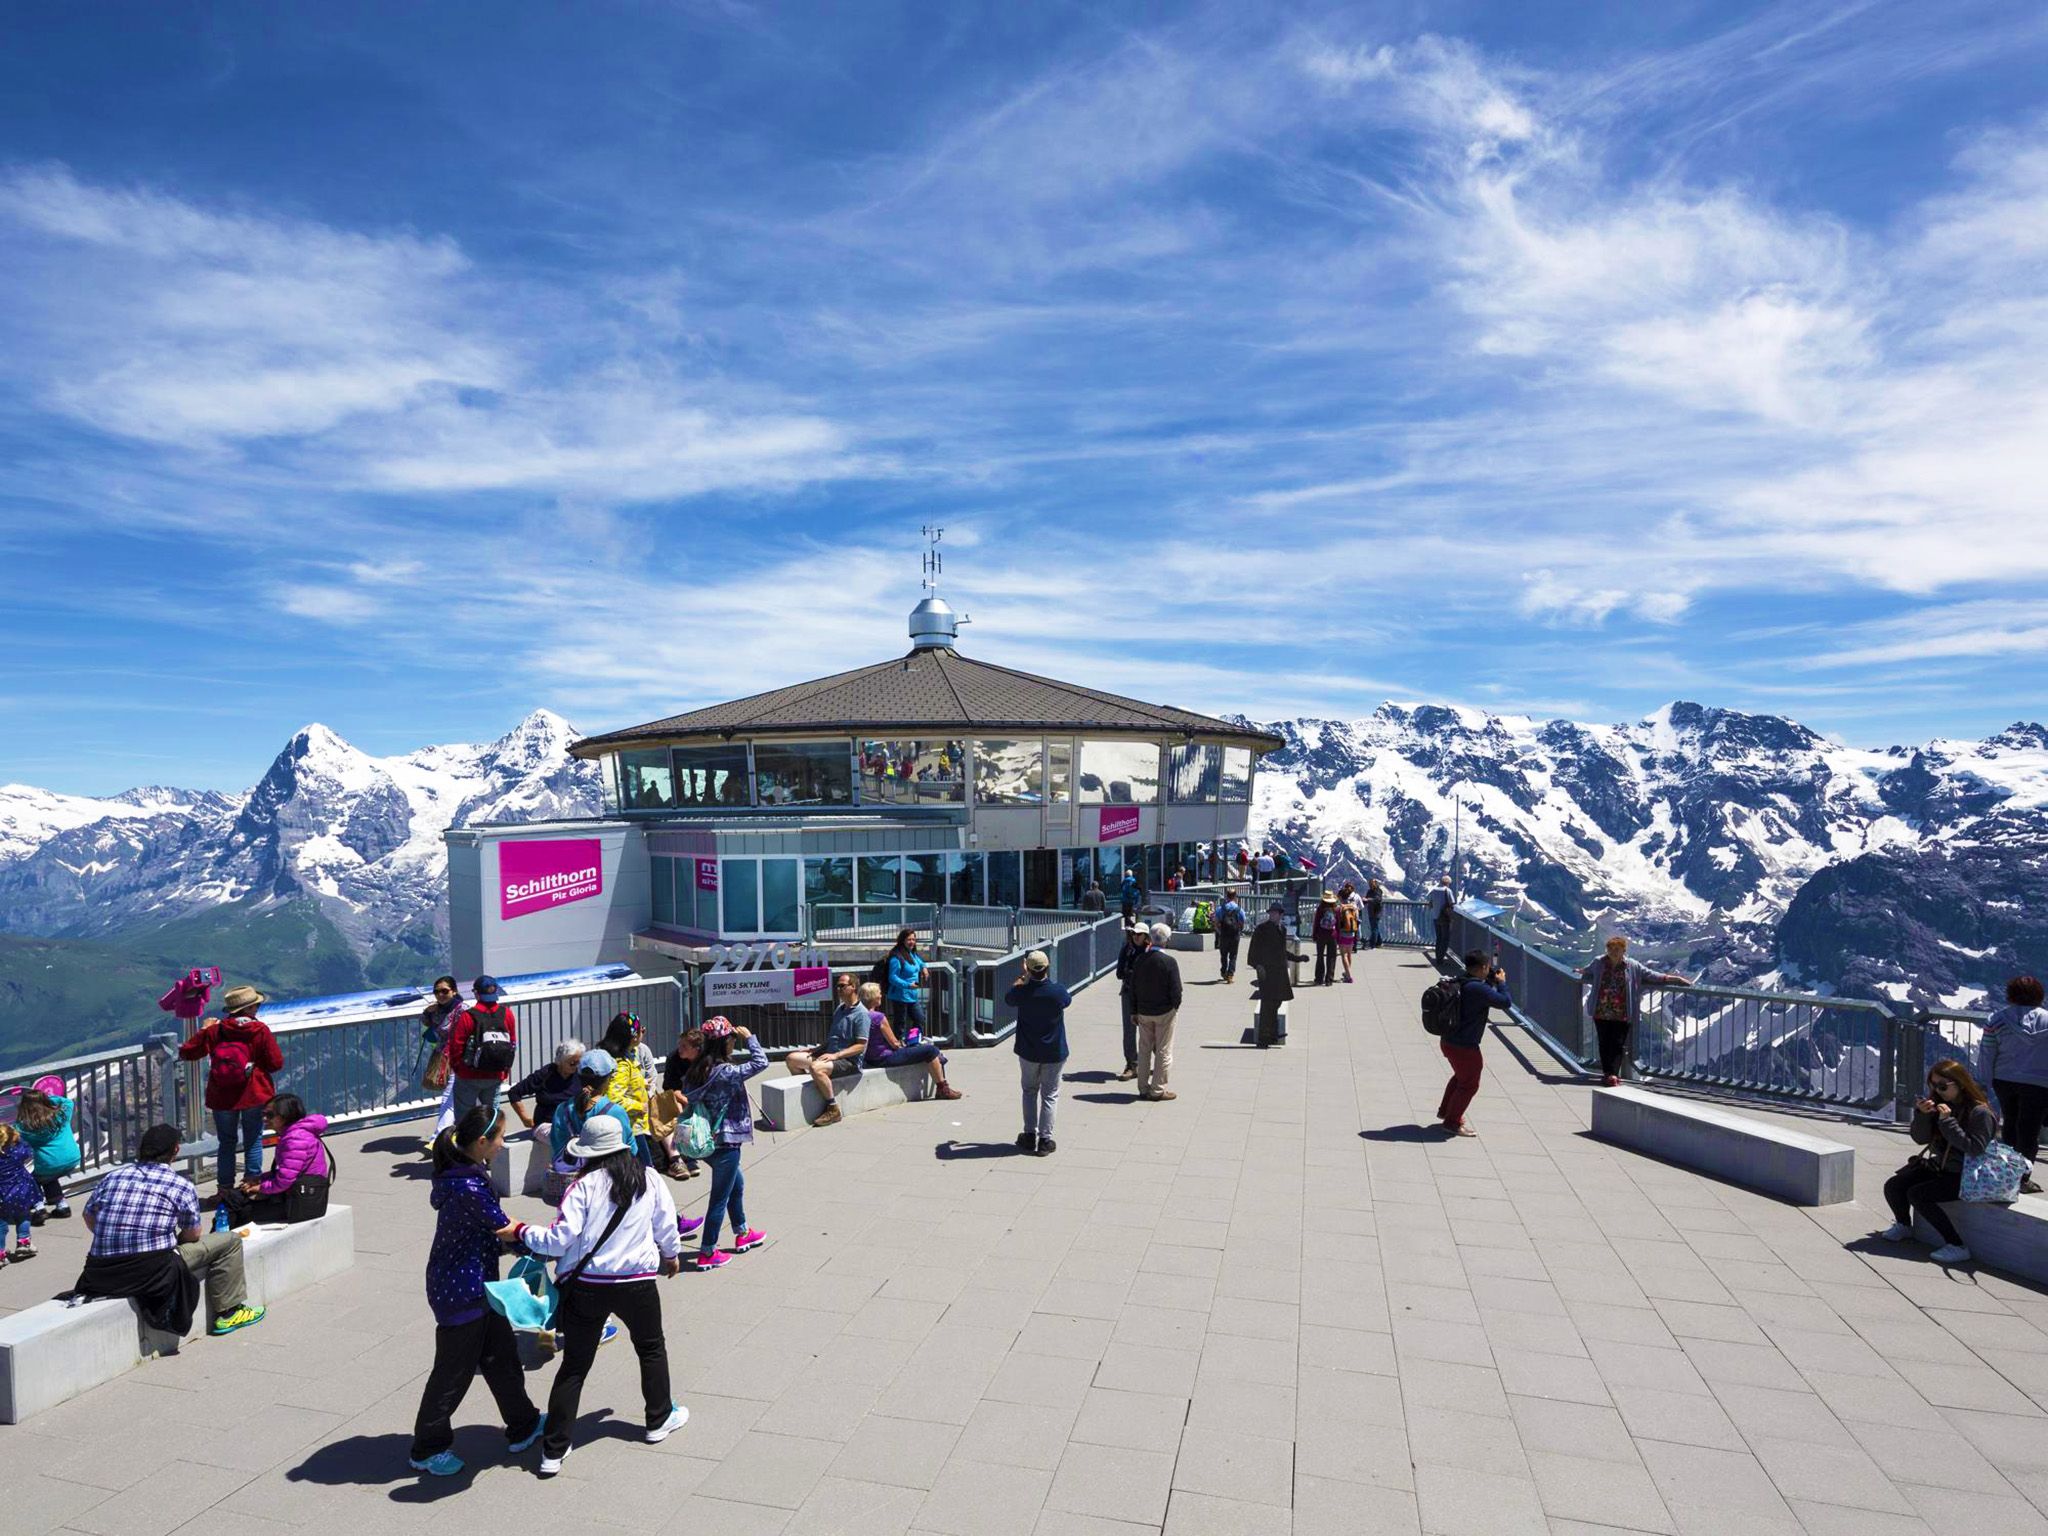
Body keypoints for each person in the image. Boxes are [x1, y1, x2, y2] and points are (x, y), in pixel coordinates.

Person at [520, 1113, 687, 1476]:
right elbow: (666, 1224)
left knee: (575, 1366)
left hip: (588, 1286)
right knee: (651, 1348)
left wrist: (522, 1232)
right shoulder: (649, 1178)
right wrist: (671, 1255)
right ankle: (659, 1419)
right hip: (638, 1282)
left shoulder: (582, 1187)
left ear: (589, 1152)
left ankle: (554, 1450)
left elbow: (559, 1240)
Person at [409, 1104, 545, 1477]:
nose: (504, 1143)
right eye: (500, 1137)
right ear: (482, 1141)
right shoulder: (468, 1186)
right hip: (461, 1292)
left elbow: (494, 1229)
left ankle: (524, 1423)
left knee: (502, 1359)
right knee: (452, 1374)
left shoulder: (467, 1174)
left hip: (479, 1286)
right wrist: (548, 1241)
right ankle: (427, 1448)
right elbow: (503, 1227)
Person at [66, 1123, 265, 1337]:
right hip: (152, 1271)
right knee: (230, 1241)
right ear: (175, 1150)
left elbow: (88, 1215)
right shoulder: (180, 1185)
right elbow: (193, 1234)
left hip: (101, 1272)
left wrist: (114, 1236)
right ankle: (230, 1312)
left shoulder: (112, 1177)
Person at [177, 984, 284, 1229]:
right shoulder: (259, 1030)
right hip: (254, 1094)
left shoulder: (217, 1030)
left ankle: (224, 1190)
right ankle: (251, 1184)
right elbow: (276, 1063)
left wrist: (204, 1030)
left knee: (226, 1142)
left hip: (222, 1096)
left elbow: (188, 1052)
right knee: (253, 1138)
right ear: (250, 1008)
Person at [1878, 1059, 1999, 1264]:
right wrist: (1922, 1115)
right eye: (1933, 1085)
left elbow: (1975, 1148)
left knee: (1918, 1195)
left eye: (1942, 1086)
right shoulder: (1942, 1106)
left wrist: (1948, 1122)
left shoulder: (1980, 1113)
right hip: (1940, 1167)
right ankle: (1904, 1225)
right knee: (1894, 1185)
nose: (1937, 1091)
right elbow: (1920, 1139)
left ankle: (1956, 1245)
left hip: (1966, 1175)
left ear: (1960, 1084)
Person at [672, 1017, 769, 1271]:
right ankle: (707, 1251)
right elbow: (761, 1062)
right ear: (726, 1042)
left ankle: (742, 1232)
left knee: (736, 1185)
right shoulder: (726, 1072)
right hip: (726, 1142)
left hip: (706, 1141)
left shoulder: (696, 1071)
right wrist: (750, 1038)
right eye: (732, 1039)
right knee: (719, 1198)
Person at [1581, 937, 1691, 1088]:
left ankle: (1612, 1074)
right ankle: (1608, 1073)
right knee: (1604, 1042)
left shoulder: (1632, 965)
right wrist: (1580, 971)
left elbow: (1652, 975)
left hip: (1622, 1011)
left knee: (1618, 1043)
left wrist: (1675, 979)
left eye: (1617, 949)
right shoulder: (1598, 962)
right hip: (1601, 1010)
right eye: (1610, 948)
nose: (1613, 952)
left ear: (1623, 950)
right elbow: (1588, 969)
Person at [1981, 975, 2048, 1195]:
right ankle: (2023, 1178)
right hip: (2039, 1083)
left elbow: (1988, 1053)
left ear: (2010, 995)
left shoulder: (1996, 1020)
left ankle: (2006, 1174)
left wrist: (1983, 1082)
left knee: (2009, 1124)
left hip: (2005, 1080)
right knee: (2029, 1130)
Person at [220, 1095, 330, 1226]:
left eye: (270, 1115)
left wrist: (260, 1187)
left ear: (286, 1116)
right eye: (264, 1114)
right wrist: (259, 1179)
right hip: (297, 1193)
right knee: (234, 1197)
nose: (264, 1119)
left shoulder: (295, 1139)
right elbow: (288, 1172)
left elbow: (284, 1181)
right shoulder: (296, 1133)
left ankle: (220, 1237)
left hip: (299, 1202)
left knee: (235, 1205)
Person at [785, 974, 874, 1128]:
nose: (838, 989)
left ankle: (833, 1108)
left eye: (842, 986)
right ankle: (812, 1091)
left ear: (853, 987)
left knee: (816, 1068)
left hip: (849, 1061)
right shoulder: (840, 1009)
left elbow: (861, 1046)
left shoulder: (862, 1014)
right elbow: (833, 1038)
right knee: (792, 1059)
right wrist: (815, 1050)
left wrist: (836, 1055)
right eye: (837, 986)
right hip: (831, 1056)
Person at [1438, 951, 1512, 1137]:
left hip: (1448, 1040)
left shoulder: (1461, 981)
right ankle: (1452, 1122)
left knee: (1460, 1077)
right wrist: (1502, 983)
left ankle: (1446, 1111)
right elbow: (1505, 1002)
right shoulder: (1478, 989)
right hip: (1464, 1046)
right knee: (1469, 1084)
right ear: (1484, 967)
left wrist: (1490, 982)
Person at [1005, 951, 1071, 1156]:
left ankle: (1029, 1134)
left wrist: (1022, 979)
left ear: (1028, 968)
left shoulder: (1022, 992)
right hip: (1054, 1051)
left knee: (1029, 1091)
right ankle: (1045, 1140)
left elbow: (1009, 998)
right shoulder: (1057, 991)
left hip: (1028, 1051)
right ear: (1047, 967)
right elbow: (1067, 1001)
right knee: (1050, 1095)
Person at [548, 1050, 634, 1205]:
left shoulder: (562, 1109)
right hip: (608, 1185)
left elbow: (557, 1144)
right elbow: (630, 1149)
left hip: (572, 1185)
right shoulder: (615, 1111)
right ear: (608, 1078)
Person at [508, 1039, 586, 1193]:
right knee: (566, 1140)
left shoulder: (580, 1075)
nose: (576, 1066)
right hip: (547, 1123)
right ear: (560, 1061)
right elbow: (514, 1093)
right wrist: (525, 1119)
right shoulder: (545, 1074)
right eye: (572, 1063)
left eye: (578, 1062)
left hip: (573, 1123)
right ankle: (562, 1179)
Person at [864, 989, 964, 1101]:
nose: (881, 995)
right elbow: (894, 1044)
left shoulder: (860, 1015)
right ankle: (943, 1089)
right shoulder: (878, 1017)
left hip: (870, 1057)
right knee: (931, 1050)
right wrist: (905, 1044)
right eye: (879, 993)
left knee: (928, 1051)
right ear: (873, 997)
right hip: (885, 1057)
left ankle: (943, 1085)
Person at [445, 975, 518, 1124]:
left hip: (468, 1075)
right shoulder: (507, 1014)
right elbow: (512, 1044)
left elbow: (456, 1046)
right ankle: (492, 1137)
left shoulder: (468, 1016)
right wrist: (504, 1071)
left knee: (464, 1118)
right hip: (495, 1074)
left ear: (476, 994)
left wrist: (458, 1069)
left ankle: (466, 1138)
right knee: (492, 1116)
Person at [1128, 922, 1183, 1102]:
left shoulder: (1140, 960)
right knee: (1163, 1050)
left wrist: (1133, 1010)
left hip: (1144, 1011)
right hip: (1164, 1011)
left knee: (1144, 1049)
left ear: (1150, 939)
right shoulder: (1169, 962)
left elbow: (1133, 987)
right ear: (1167, 941)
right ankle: (1157, 1089)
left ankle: (1143, 1087)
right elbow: (1176, 990)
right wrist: (1175, 1007)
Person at [597, 1014, 655, 1164]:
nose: (643, 1033)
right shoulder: (621, 1064)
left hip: (630, 1126)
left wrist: (641, 1083)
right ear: (634, 1037)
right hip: (629, 1128)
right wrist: (640, 1106)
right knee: (645, 1171)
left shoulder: (622, 1057)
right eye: (641, 1030)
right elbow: (613, 1099)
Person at [16, 1087, 80, 1221]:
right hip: (72, 1158)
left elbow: (15, 1136)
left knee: (32, 1180)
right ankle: (62, 1206)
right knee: (48, 1178)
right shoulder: (61, 1115)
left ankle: (39, 1208)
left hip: (48, 1163)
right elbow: (68, 1102)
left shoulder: (23, 1127)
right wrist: (46, 1099)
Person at [418, 975, 464, 1138]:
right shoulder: (436, 1010)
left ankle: (439, 1137)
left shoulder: (462, 1010)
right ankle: (458, 1132)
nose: (440, 995)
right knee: (455, 1097)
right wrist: (427, 1011)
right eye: (436, 992)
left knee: (448, 1098)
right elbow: (425, 1022)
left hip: (458, 1057)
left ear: (454, 991)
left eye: (444, 991)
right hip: (443, 1056)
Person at [1248, 902, 1294, 1047]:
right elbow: (1253, 950)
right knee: (1267, 1005)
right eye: (1271, 913)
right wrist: (1258, 966)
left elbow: (1282, 951)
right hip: (1267, 973)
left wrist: (1297, 958)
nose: (1272, 915)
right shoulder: (1262, 929)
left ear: (1281, 915)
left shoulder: (1282, 929)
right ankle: (1264, 1037)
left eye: (1275, 913)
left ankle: (1273, 1033)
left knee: (1276, 1002)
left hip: (1279, 972)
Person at [1114, 922, 1151, 1080]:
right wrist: (1131, 973)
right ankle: (1131, 1065)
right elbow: (1119, 973)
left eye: (1139, 934)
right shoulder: (1127, 949)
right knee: (1129, 1031)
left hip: (1146, 995)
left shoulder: (1150, 951)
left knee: (1149, 1030)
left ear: (1146, 936)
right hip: (1129, 993)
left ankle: (1150, 1063)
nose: (1136, 937)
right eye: (1134, 934)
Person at [1, 1122, 39, 1262]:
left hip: (1, 1195)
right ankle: (23, 1242)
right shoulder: (18, 1151)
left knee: (1, 1224)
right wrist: (19, 1139)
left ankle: (0, 1254)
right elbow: (28, 1151)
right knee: (23, 1216)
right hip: (21, 1191)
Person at [885, 929, 928, 1037]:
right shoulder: (896, 957)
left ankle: (913, 1040)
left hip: (912, 996)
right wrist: (907, 985)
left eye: (913, 939)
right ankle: (899, 1043)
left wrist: (924, 967)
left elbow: (919, 962)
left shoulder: (911, 954)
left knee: (920, 1019)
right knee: (901, 1024)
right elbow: (892, 977)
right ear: (902, 940)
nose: (912, 942)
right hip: (900, 996)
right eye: (909, 939)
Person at [1213, 888, 1246, 983]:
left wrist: (1220, 932)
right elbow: (1242, 922)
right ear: (1235, 897)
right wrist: (1239, 931)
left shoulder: (1221, 909)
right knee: (1233, 955)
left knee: (1223, 954)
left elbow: (1216, 923)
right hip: (1235, 935)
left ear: (1226, 896)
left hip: (1224, 935)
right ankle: (1230, 975)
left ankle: (1223, 971)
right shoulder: (1239, 909)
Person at [1311, 892, 1340, 987]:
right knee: (1331, 957)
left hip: (1321, 935)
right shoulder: (1336, 909)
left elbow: (1316, 922)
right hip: (1332, 935)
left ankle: (1319, 978)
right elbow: (1338, 924)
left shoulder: (1320, 909)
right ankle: (1329, 979)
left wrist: (1314, 935)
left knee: (1320, 956)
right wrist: (1338, 937)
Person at [1335, 883, 1363, 981]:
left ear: (1341, 897)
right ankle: (1347, 972)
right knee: (1349, 954)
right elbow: (1357, 918)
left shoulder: (1340, 908)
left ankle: (1348, 976)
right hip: (1352, 932)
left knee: (1344, 955)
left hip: (1342, 933)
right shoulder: (1353, 907)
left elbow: (1337, 922)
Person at [1427, 876, 1455, 965]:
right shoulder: (1447, 891)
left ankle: (1438, 956)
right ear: (1448, 883)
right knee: (1445, 939)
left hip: (1435, 917)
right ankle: (1440, 959)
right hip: (1444, 917)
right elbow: (1452, 903)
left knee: (1439, 938)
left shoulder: (1434, 890)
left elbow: (1430, 903)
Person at [1365, 879, 1385, 949]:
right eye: (1369, 883)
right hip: (1371, 912)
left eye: (1372, 883)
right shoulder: (1369, 891)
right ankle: (1379, 942)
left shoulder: (1378, 891)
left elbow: (1377, 899)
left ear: (1375, 884)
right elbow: (1366, 899)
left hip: (1377, 912)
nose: (1370, 885)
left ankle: (1372, 944)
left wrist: (1369, 899)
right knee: (1375, 927)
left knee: (1374, 928)